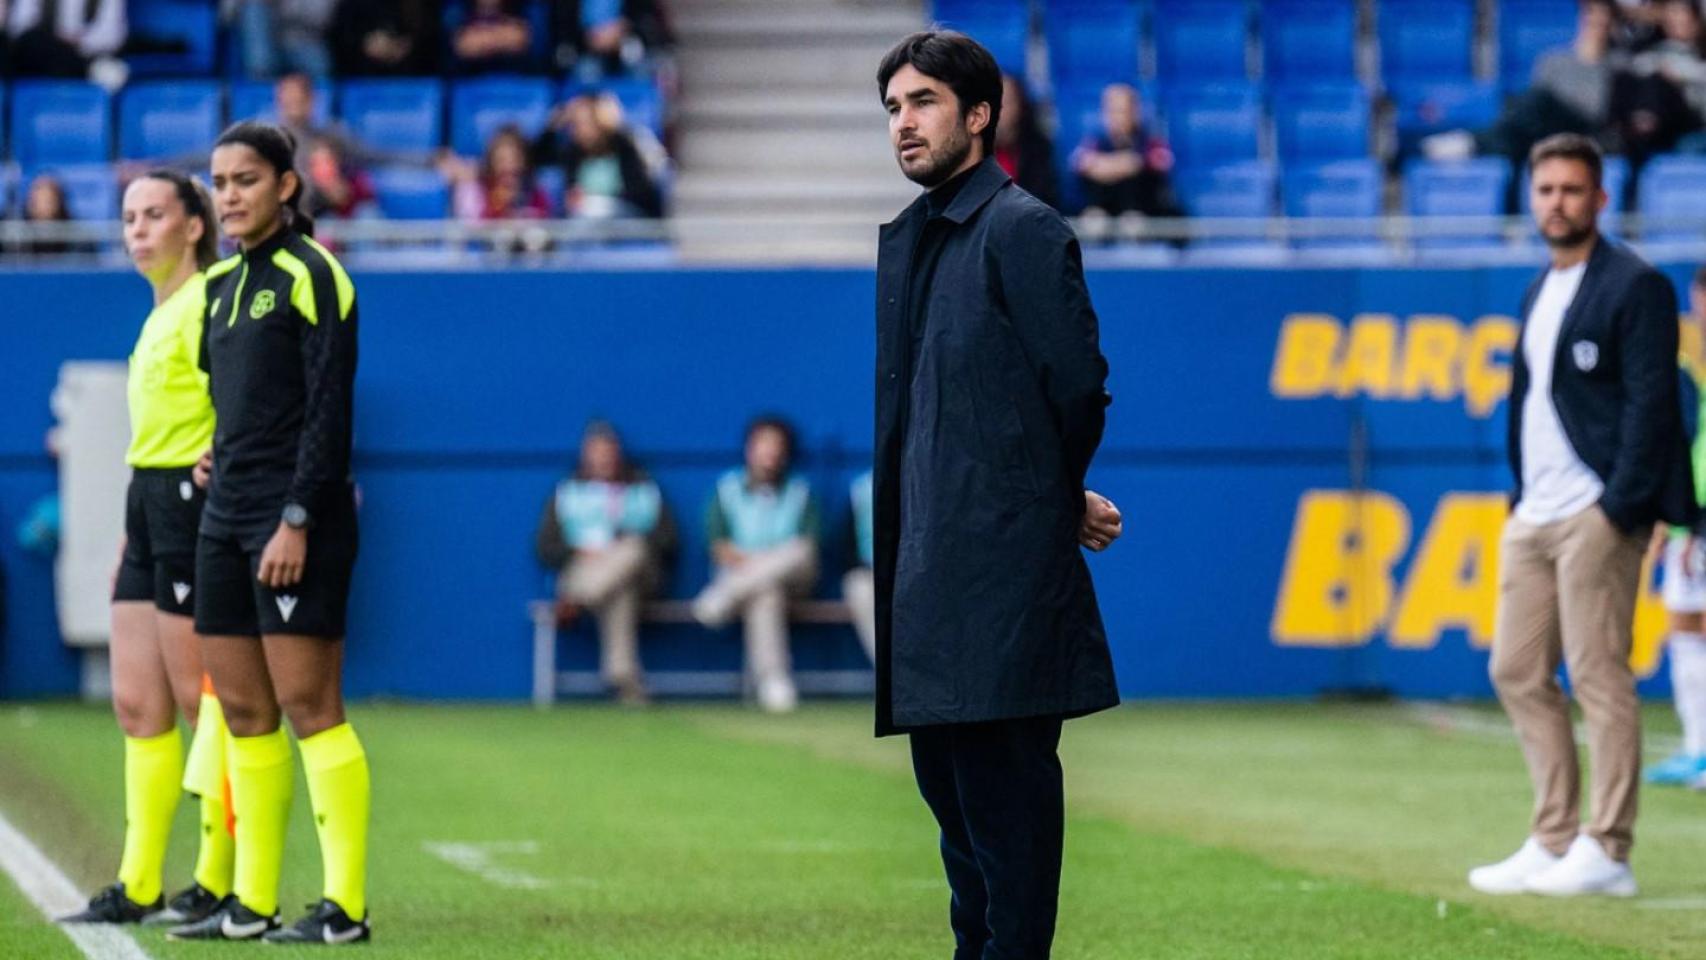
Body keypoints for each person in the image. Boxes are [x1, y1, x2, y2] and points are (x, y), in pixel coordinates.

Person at [875, 31, 1125, 958]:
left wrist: (1049, 499)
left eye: (924, 102)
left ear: (979, 116)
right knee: (956, 825)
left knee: (1007, 825)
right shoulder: (910, 240)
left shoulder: (1024, 230)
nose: (905, 122)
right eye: (895, 107)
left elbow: (1076, 386)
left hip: (1004, 581)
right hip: (928, 577)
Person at [1468, 133, 1697, 899]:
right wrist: (1519, 498)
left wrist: (1619, 506)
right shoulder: (1541, 289)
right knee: (1515, 668)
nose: (1557, 203)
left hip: (1597, 512)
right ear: (1531, 199)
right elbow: (1531, 403)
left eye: (1572, 190)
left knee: (1600, 675)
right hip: (1533, 512)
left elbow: (1652, 405)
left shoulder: (1636, 284)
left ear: (1600, 199)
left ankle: (1609, 848)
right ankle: (1555, 834)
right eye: (1545, 190)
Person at [167, 121, 369, 944]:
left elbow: (327, 411)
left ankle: (346, 908)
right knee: (244, 712)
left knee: (309, 707)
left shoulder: (314, 274)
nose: (229, 196)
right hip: (223, 518)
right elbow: (243, 401)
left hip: (292, 521)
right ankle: (252, 904)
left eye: (245, 179)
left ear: (287, 185)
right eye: (219, 182)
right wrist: (222, 453)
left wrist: (296, 518)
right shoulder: (216, 286)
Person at [57, 170, 234, 930]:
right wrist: (136, 523)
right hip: (148, 504)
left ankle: (221, 878)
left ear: (194, 225)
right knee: (138, 703)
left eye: (154, 214)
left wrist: (227, 459)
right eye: (129, 217)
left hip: (194, 510)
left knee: (206, 701)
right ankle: (138, 882)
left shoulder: (212, 302)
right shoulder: (158, 312)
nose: (137, 230)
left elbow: (256, 396)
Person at [535, 420, 676, 705]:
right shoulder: (567, 491)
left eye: (608, 451)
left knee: (632, 550)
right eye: (596, 451)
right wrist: (577, 551)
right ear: (585, 455)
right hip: (585, 569)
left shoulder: (643, 488)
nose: (603, 458)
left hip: (638, 570)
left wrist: (617, 546)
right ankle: (624, 680)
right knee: (619, 589)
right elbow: (545, 547)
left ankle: (578, 598)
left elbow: (668, 540)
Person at [692, 416, 820, 714]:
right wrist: (757, 564)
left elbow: (807, 547)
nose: (770, 453)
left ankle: (722, 597)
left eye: (776, 446)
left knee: (798, 551)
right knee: (766, 591)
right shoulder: (727, 489)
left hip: (794, 581)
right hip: (751, 578)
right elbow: (719, 546)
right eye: (763, 445)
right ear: (749, 449)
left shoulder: (801, 491)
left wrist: (761, 561)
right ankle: (773, 681)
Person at [1644, 264, 1706, 787]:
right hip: (1694, 517)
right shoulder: (1685, 368)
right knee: (1685, 623)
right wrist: (1681, 525)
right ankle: (1696, 747)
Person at [533, 94, 665, 219]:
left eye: (584, 123)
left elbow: (642, 192)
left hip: (628, 215)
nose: (576, 130)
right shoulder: (572, 152)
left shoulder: (628, 146)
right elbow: (540, 159)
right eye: (574, 124)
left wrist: (598, 201)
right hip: (584, 219)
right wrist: (551, 128)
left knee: (589, 210)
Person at [1071, 82, 1179, 222]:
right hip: (1102, 212)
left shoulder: (1151, 142)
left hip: (1143, 213)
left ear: (1135, 111)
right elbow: (1080, 163)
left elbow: (1158, 162)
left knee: (1132, 222)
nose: (1117, 117)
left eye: (1123, 111)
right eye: (1111, 111)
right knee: (1093, 220)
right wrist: (1123, 164)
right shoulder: (1094, 142)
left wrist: (1108, 165)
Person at [552, 0, 673, 79]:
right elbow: (564, 26)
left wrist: (622, 31)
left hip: (628, 44)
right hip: (584, 50)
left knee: (640, 67)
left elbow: (647, 19)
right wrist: (588, 38)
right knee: (585, 72)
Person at [5, 0, 126, 79]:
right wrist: (58, 40)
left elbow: (112, 34)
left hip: (85, 53)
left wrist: (78, 41)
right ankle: (86, 71)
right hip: (43, 49)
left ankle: (79, 69)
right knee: (32, 43)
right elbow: (20, 26)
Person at [992, 74, 1059, 211]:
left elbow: (1044, 199)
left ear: (1020, 105)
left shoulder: (1039, 149)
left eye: (1006, 102)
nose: (998, 110)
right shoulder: (970, 150)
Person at [328, 0, 442, 77]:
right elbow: (340, 35)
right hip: (359, 72)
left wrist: (401, 47)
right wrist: (365, 45)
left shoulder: (419, 6)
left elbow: (431, 33)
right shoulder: (352, 5)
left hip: (414, 73)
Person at [234, 0, 335, 80]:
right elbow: (228, 13)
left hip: (304, 39)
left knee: (318, 65)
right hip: (266, 40)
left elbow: (321, 18)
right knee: (254, 9)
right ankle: (261, 81)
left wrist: (282, 5)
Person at [842, 470, 876, 662]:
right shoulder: (861, 489)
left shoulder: (927, 482)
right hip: (869, 572)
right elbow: (846, 547)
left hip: (915, 574)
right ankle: (890, 670)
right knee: (858, 586)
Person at [451, 0, 535, 74]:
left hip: (514, 79)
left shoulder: (518, 15)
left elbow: (520, 40)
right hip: (469, 80)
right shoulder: (458, 15)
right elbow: (464, 47)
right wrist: (501, 39)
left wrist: (483, 42)